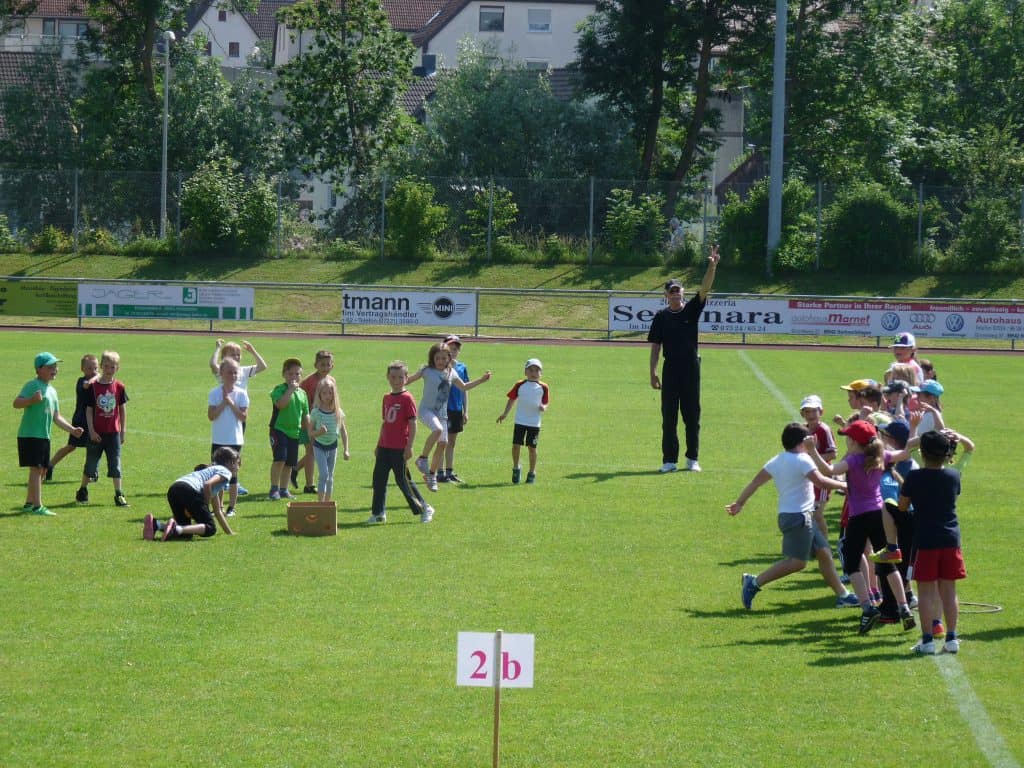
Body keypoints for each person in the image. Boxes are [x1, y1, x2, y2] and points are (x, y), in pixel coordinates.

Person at [804, 419, 916, 634]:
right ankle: (904, 608)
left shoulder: (854, 460)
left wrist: (811, 450)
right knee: (887, 563)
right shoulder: (880, 455)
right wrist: (913, 430)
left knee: (853, 563)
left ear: (855, 441)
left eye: (848, 437)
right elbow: (904, 453)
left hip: (858, 517)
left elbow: (828, 470)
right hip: (879, 515)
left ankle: (867, 607)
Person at [727, 423, 856, 610]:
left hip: (792, 516)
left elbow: (756, 482)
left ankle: (843, 595)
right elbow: (820, 481)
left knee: (824, 553)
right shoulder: (804, 459)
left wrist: (739, 503)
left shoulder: (777, 460)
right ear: (802, 442)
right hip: (800, 518)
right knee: (797, 563)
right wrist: (844, 486)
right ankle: (754, 583)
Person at [648, 245, 720, 473]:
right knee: (669, 417)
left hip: (691, 369)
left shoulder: (691, 310)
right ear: (666, 295)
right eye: (672, 291)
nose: (676, 293)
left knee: (692, 415)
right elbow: (656, 346)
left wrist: (712, 265)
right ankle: (669, 461)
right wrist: (653, 372)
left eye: (678, 290)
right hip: (670, 370)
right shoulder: (661, 317)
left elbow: (706, 288)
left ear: (683, 292)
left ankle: (692, 459)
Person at [899, 430, 968, 655]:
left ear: (923, 452)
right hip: (950, 538)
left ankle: (927, 640)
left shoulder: (914, 477)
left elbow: (901, 506)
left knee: (926, 591)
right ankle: (952, 638)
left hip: (925, 540)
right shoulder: (953, 476)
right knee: (949, 590)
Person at [408, 342, 491, 492]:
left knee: (443, 443)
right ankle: (422, 458)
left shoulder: (452, 373)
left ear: (449, 358)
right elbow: (408, 380)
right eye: (437, 358)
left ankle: (431, 475)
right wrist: (398, 381)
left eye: (443, 358)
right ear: (432, 359)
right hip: (427, 411)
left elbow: (464, 387)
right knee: (438, 430)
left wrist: (482, 379)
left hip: (442, 414)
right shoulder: (426, 370)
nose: (440, 361)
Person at [13, 352, 84, 516]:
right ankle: (38, 506)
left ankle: (29, 503)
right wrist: (31, 400)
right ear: (39, 369)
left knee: (42, 470)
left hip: (44, 436)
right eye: (50, 367)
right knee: (36, 469)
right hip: (30, 434)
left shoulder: (52, 391)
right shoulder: (32, 385)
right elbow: (16, 403)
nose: (55, 369)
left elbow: (56, 417)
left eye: (56, 366)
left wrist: (72, 430)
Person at [369, 361, 433, 524]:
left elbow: (412, 423)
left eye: (400, 377)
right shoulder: (387, 397)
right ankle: (378, 513)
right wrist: (378, 444)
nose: (396, 380)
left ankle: (425, 507)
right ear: (387, 377)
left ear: (406, 378)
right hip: (384, 447)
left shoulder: (407, 398)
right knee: (378, 480)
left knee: (403, 480)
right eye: (392, 377)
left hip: (399, 448)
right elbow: (385, 423)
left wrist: (409, 446)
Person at [143, 447, 238, 541]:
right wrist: (205, 506)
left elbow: (218, 512)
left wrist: (229, 532)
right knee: (210, 528)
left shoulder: (211, 473)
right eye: (238, 463)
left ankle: (156, 524)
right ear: (231, 462)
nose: (238, 467)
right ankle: (175, 529)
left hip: (174, 488)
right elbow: (207, 484)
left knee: (185, 533)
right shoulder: (225, 472)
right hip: (190, 489)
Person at [77, 350, 129, 507]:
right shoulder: (93, 387)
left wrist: (122, 430)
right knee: (91, 463)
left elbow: (122, 409)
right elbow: (89, 410)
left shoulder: (119, 387)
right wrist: (91, 431)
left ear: (117, 368)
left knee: (115, 463)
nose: (109, 370)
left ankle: (119, 494)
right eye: (106, 366)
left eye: (113, 367)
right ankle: (83, 490)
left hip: (113, 433)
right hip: (96, 434)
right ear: (101, 366)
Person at [497, 358, 550, 484]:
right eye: (531, 370)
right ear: (525, 372)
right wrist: (505, 414)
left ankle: (532, 472)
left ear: (540, 373)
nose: (533, 373)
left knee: (532, 448)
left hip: (534, 423)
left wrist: (544, 407)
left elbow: (546, 401)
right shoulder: (520, 385)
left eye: (537, 370)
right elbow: (511, 399)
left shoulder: (543, 387)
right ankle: (516, 468)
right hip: (520, 421)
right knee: (516, 445)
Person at [45, 353, 98, 480]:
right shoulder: (82, 382)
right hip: (81, 420)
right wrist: (96, 378)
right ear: (83, 369)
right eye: (89, 368)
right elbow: (87, 385)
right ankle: (50, 465)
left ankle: (92, 471)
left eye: (95, 368)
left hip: (95, 421)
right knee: (71, 447)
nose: (93, 371)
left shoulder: (99, 381)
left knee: (95, 447)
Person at [208, 357, 248, 517]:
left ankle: (232, 507)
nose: (233, 375)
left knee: (232, 475)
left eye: (235, 372)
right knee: (217, 475)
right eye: (229, 372)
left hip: (234, 439)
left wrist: (230, 402)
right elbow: (211, 415)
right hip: (218, 439)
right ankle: (218, 507)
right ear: (221, 374)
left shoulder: (241, 394)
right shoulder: (214, 393)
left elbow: (243, 417)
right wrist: (223, 403)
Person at [268, 357, 310, 501]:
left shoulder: (302, 394)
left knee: (290, 463)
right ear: (284, 374)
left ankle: (284, 489)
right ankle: (274, 488)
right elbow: (281, 404)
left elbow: (305, 415)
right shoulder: (279, 390)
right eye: (291, 374)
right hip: (279, 430)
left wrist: (309, 431)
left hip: (295, 432)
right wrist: (290, 390)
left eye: (297, 374)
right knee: (280, 459)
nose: (294, 377)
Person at [295, 350, 336, 494]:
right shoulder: (308, 382)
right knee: (311, 450)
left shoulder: (331, 381)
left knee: (314, 450)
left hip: (325, 420)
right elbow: (299, 398)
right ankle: (309, 485)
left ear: (332, 365)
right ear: (315, 365)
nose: (325, 367)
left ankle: (295, 469)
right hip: (310, 420)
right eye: (322, 364)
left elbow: (334, 400)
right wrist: (303, 419)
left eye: (327, 364)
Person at [799, 395, 836, 539]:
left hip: (822, 476)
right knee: (809, 511)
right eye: (807, 412)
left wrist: (813, 458)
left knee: (817, 513)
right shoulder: (803, 430)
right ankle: (814, 544)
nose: (810, 415)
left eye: (814, 411)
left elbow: (832, 454)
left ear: (821, 412)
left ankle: (824, 544)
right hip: (809, 476)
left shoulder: (824, 430)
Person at [308, 377, 349, 503]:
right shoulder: (316, 412)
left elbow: (343, 431)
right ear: (319, 394)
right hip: (319, 446)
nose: (327, 396)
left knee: (330, 477)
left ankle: (327, 503)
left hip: (333, 446)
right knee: (324, 474)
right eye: (324, 393)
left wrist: (346, 449)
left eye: (330, 393)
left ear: (334, 394)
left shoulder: (338, 412)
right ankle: (320, 503)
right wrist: (319, 432)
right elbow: (310, 433)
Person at [440, 335, 469, 484]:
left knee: (452, 442)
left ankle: (449, 471)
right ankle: (439, 472)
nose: (453, 351)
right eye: (450, 349)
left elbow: (465, 389)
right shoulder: (440, 367)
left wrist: (466, 410)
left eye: (456, 349)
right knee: (442, 441)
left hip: (456, 409)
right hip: (444, 409)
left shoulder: (462, 367)